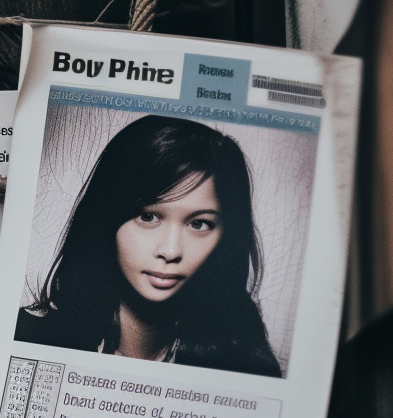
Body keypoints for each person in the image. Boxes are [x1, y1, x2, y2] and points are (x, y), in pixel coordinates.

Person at [17, 113, 281, 375]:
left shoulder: (247, 368)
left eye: (198, 224)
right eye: (148, 217)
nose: (170, 251)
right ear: (106, 219)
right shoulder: (25, 340)